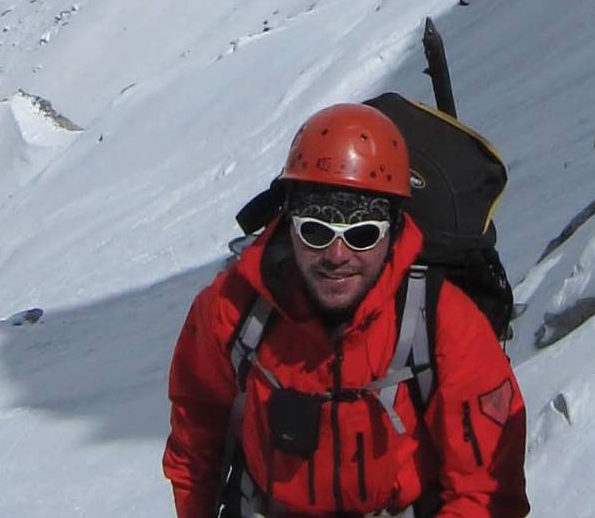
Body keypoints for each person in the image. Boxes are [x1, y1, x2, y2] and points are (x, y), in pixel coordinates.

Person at [165, 103, 529, 517]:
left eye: (362, 235)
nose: (337, 255)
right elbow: (195, 438)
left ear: (394, 231)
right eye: (316, 231)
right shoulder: (233, 309)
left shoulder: (443, 324)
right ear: (288, 223)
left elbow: (486, 491)